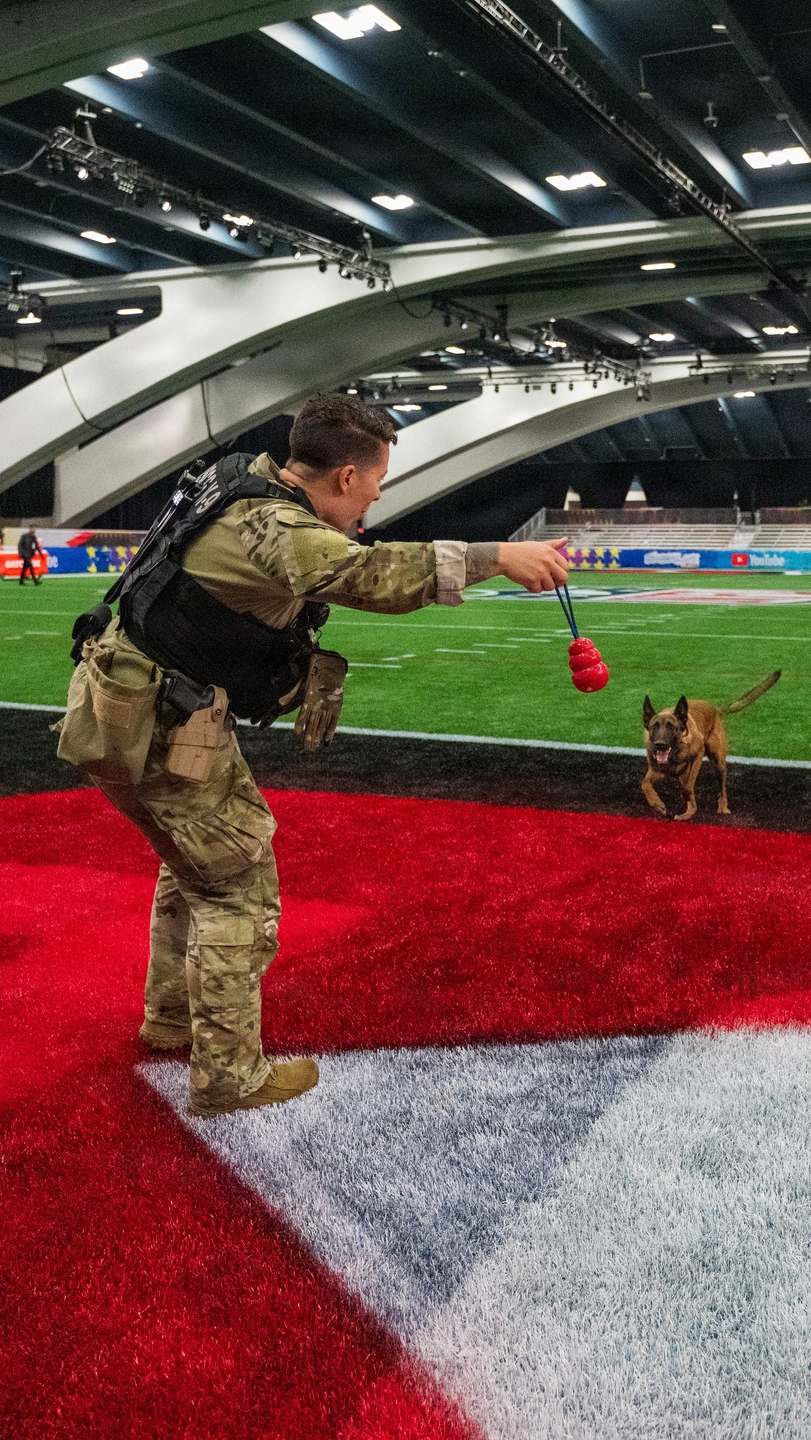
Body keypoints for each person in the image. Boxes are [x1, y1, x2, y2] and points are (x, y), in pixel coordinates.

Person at [56, 393, 568, 1119]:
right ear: (347, 476)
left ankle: (170, 1019)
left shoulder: (239, 481)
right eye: (377, 480)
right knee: (238, 885)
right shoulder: (272, 524)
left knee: (196, 864)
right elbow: (369, 575)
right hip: (158, 724)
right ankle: (229, 1076)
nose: (377, 496)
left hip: (124, 707)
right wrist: (498, 556)